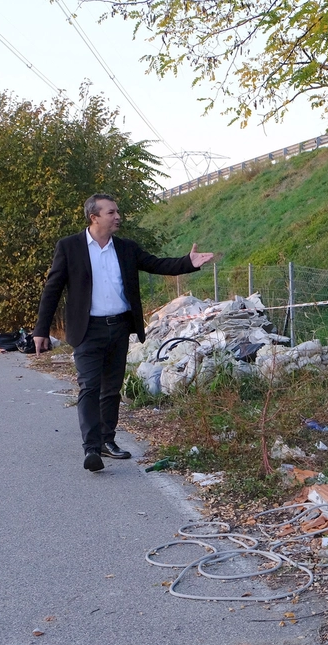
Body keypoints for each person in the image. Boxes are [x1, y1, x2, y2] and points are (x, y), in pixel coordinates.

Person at [33, 194, 214, 471]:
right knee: (89, 388)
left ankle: (108, 441)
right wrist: (41, 330)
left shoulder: (126, 248)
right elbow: (52, 289)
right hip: (87, 330)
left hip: (118, 328)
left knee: (111, 390)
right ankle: (91, 448)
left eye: (117, 212)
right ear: (94, 217)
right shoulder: (70, 247)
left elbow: (156, 264)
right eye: (111, 212)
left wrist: (188, 263)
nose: (118, 217)